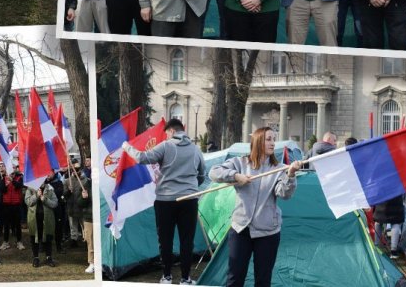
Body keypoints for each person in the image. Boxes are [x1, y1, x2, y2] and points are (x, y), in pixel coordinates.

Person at [210, 127, 302, 287]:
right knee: (234, 278)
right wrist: (235, 176)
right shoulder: (240, 162)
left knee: (263, 280)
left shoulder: (279, 168)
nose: (273, 143)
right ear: (258, 141)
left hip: (268, 231)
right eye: (268, 139)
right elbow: (214, 172)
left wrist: (291, 175)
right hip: (240, 229)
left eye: (274, 139)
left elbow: (284, 194)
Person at [122, 118, 206, 285]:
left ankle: (167, 276)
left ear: (172, 131)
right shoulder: (196, 150)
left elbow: (141, 158)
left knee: (165, 240)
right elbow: (202, 175)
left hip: (165, 201)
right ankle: (185, 278)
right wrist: (190, 187)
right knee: (186, 240)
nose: (166, 136)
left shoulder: (166, 146)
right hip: (189, 200)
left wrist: (126, 146)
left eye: (166, 133)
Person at [25, 179, 58, 267]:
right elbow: (28, 202)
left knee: (48, 238)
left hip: (47, 219)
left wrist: (45, 199)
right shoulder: (30, 189)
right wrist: (36, 195)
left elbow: (55, 203)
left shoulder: (50, 189)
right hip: (34, 219)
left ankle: (49, 257)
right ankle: (36, 258)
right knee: (34, 238)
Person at [0, 166, 25, 251]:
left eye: (13, 168)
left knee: (17, 224)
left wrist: (12, 180)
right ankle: (5, 242)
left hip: (16, 205)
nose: (12, 171)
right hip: (6, 205)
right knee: (6, 225)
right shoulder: (3, 178)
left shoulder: (19, 178)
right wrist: (6, 185)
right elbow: (2, 190)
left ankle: (19, 241)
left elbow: (19, 186)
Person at [77, 174, 94, 274]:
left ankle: (102, 262)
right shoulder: (86, 185)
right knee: (90, 241)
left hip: (101, 217)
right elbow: (79, 203)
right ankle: (92, 263)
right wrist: (84, 198)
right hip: (89, 218)